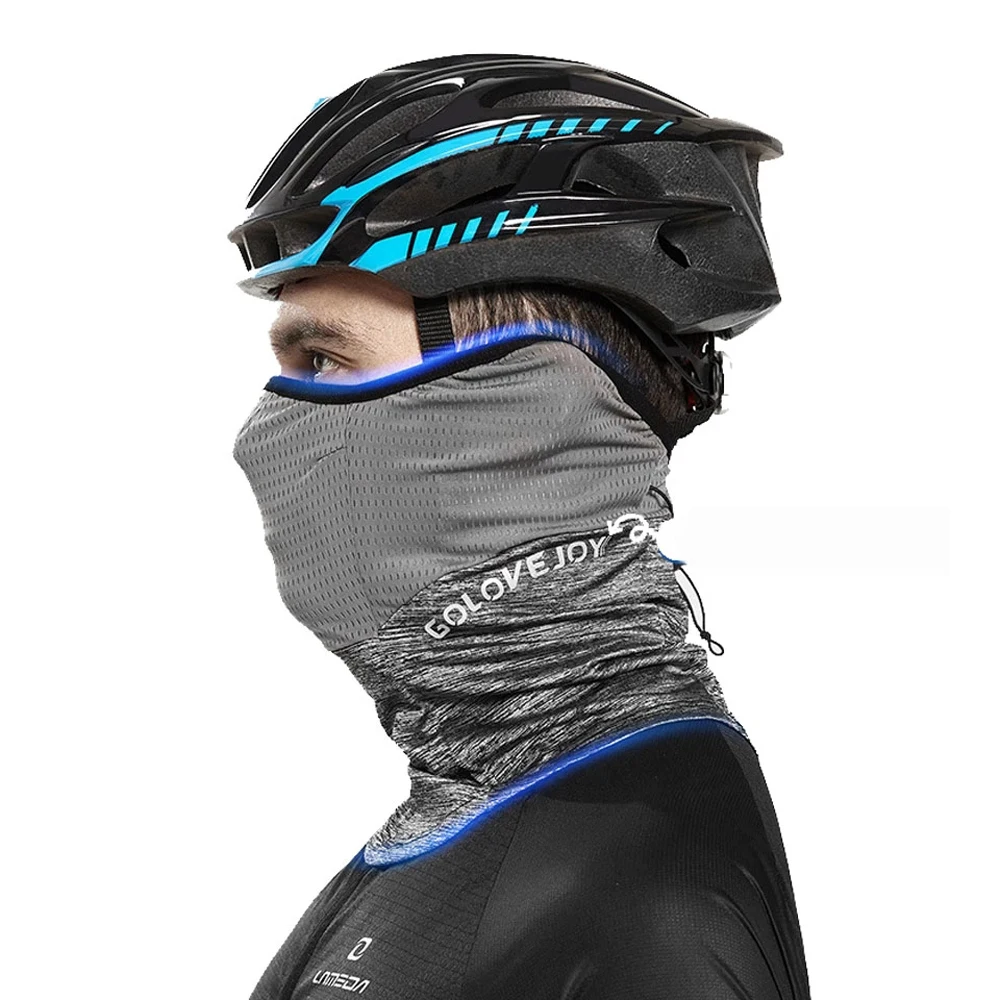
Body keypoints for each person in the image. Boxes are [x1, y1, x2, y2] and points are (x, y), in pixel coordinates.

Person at [228, 54, 811, 999]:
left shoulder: (648, 902)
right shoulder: (479, 805)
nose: (260, 434)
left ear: (535, 403)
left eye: (324, 358)